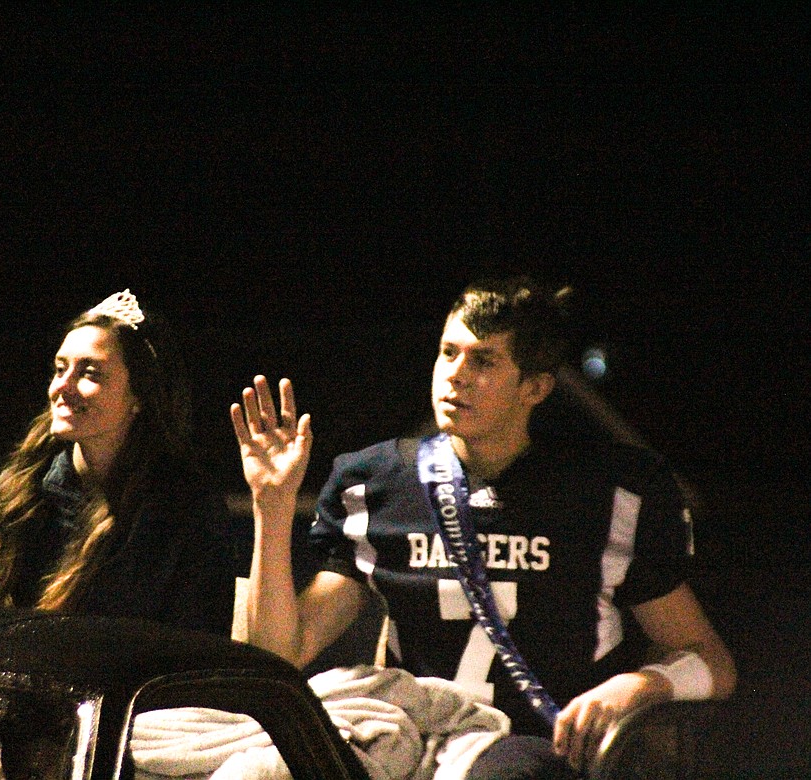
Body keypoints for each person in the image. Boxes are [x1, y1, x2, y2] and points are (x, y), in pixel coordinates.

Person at [231, 277, 735, 779]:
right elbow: (280, 655)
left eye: (484, 360)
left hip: (533, 746)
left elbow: (710, 660)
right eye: (449, 353)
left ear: (535, 388)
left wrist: (642, 685)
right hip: (413, 733)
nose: (457, 375)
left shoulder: (608, 493)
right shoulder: (379, 482)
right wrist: (271, 508)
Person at [0, 289, 235, 637]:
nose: (62, 386)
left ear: (139, 396)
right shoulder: (25, 484)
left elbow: (193, 654)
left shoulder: (183, 508)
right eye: (60, 369)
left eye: (90, 373)